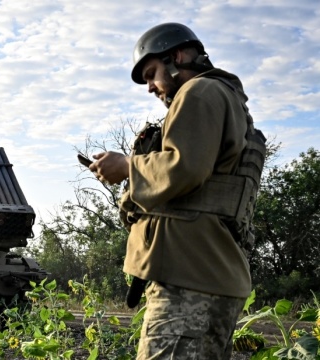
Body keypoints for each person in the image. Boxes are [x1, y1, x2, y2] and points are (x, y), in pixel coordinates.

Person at [89, 23, 255, 359]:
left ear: (176, 57)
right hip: (205, 278)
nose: (150, 87)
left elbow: (184, 167)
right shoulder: (224, 97)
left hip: (188, 285)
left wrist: (127, 167)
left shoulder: (197, 92)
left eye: (151, 74)